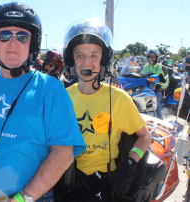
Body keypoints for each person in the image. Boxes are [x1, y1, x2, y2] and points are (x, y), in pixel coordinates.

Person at [0, 2, 86, 202]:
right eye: (4, 36)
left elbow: (63, 153)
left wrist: (22, 199)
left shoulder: (51, 90)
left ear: (32, 44)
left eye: (22, 36)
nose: (13, 42)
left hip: (29, 198)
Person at [54, 18, 152, 202]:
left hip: (103, 183)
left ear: (104, 60)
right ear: (71, 60)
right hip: (69, 179)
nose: (86, 63)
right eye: (79, 55)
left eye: (94, 55)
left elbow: (145, 137)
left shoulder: (118, 99)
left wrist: (130, 163)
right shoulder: (63, 97)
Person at [140, 49, 166, 119]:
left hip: (156, 90)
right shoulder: (145, 67)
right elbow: (140, 76)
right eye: (150, 56)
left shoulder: (160, 67)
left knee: (156, 107)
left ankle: (161, 122)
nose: (151, 58)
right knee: (142, 106)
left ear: (156, 58)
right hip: (145, 89)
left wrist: (155, 80)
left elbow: (164, 81)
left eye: (153, 57)